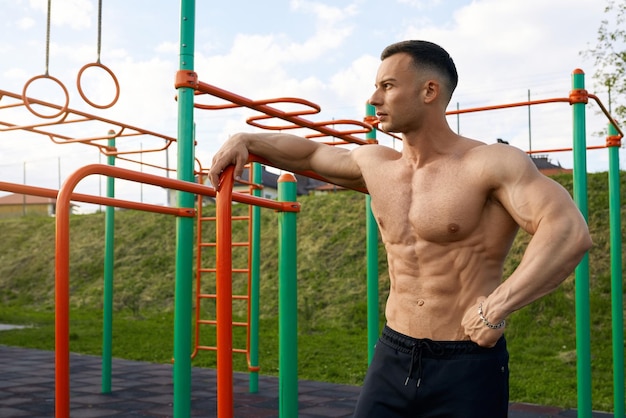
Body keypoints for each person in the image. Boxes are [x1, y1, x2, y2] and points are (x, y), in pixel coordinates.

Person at [208, 40, 592, 418]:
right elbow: (309, 154)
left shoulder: (489, 163)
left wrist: (497, 307)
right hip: (393, 353)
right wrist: (247, 139)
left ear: (429, 90)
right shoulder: (377, 164)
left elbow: (567, 232)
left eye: (387, 86)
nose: (374, 98)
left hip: (466, 361)